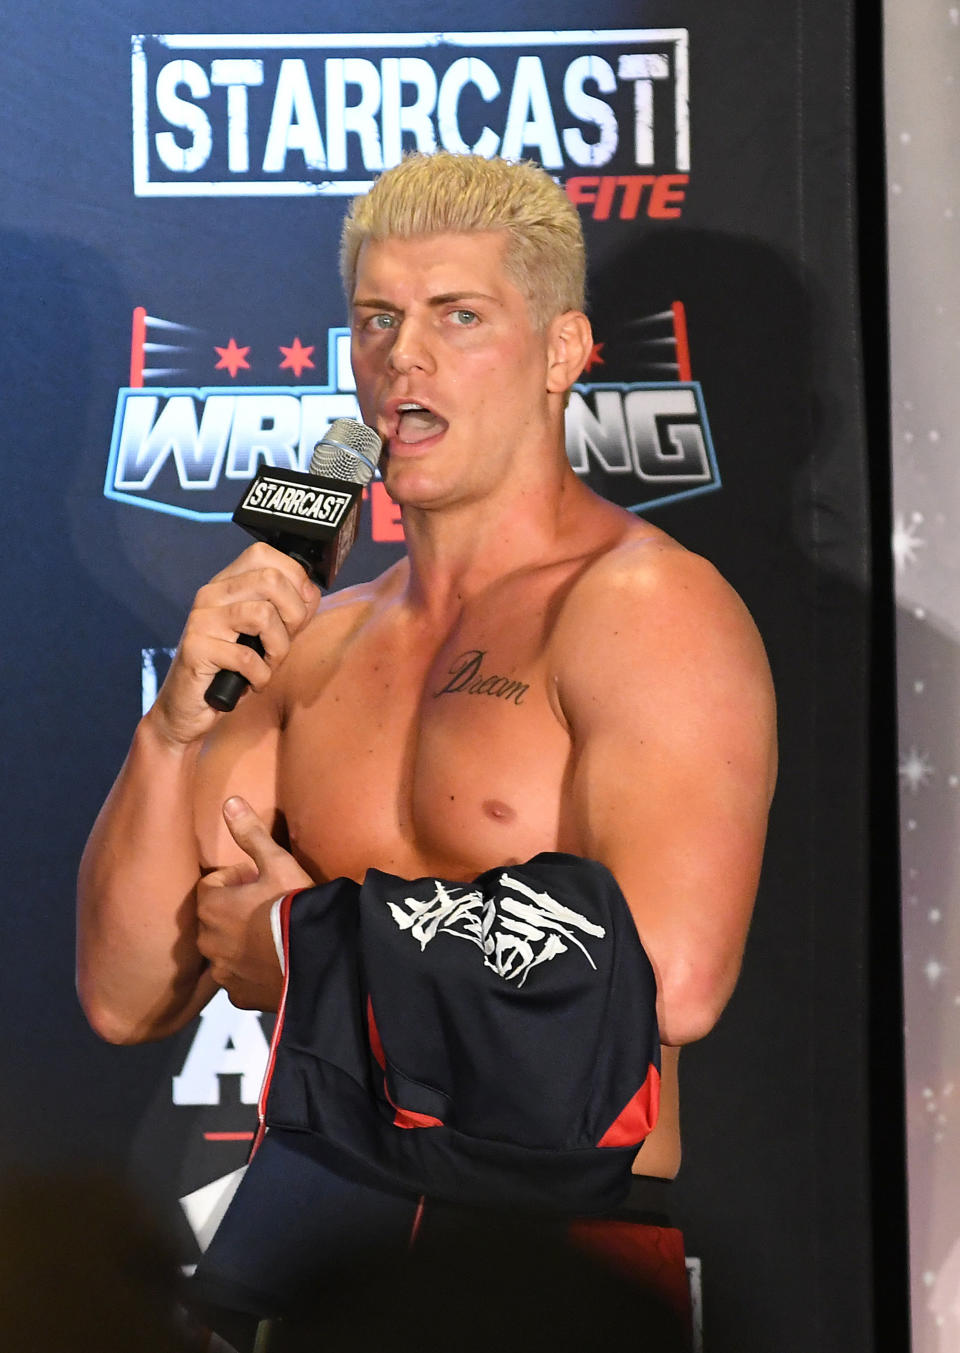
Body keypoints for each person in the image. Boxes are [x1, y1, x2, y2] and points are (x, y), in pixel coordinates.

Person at [77, 151, 776, 1323]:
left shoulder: (640, 610)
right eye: (378, 320)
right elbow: (124, 994)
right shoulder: (314, 637)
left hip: (544, 1242)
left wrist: (306, 943)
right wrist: (172, 728)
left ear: (563, 350)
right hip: (320, 1224)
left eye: (460, 316)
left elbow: (677, 977)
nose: (406, 356)